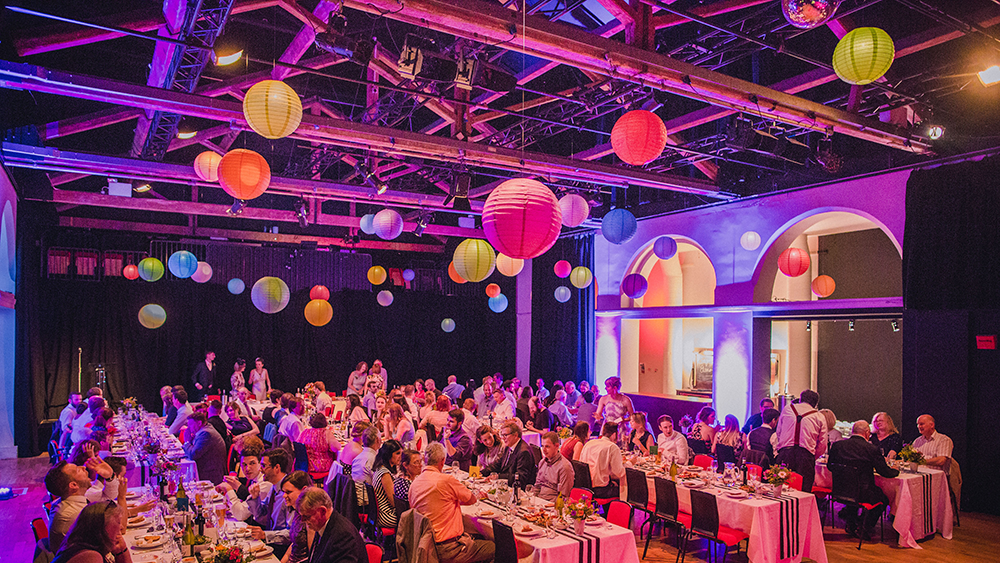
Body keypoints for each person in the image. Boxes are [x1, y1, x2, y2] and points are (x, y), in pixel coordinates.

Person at [408, 443, 495, 563]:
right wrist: (458, 499)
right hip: (449, 549)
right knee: (495, 548)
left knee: (476, 536)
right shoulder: (446, 480)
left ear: (424, 459)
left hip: (425, 545)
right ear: (443, 461)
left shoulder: (414, 484)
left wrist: (451, 500)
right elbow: (471, 499)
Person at [828, 420, 899, 539]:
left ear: (852, 431)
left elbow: (830, 466)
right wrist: (896, 470)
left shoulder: (838, 446)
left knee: (852, 488)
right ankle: (864, 527)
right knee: (883, 499)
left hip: (839, 490)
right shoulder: (871, 449)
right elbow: (884, 472)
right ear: (867, 432)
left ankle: (851, 523)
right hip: (862, 493)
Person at [774, 389, 828, 493]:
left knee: (781, 488)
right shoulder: (819, 417)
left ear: (800, 399)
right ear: (815, 403)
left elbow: (779, 432)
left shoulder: (787, 409)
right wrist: (813, 456)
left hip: (785, 453)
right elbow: (823, 443)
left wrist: (782, 448)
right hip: (805, 456)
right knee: (804, 491)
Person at [296, 487, 367, 563]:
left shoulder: (343, 536)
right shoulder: (322, 525)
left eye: (307, 516)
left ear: (322, 511)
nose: (302, 520)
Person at [49, 500, 131, 563]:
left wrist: (121, 550)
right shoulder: (90, 557)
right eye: (118, 522)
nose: (122, 527)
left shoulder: (81, 545)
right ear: (103, 527)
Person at [243, 449, 292, 549]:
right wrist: (255, 498)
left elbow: (292, 533)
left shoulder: (289, 492)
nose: (260, 469)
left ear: (277, 468)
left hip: (282, 548)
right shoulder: (274, 488)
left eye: (264, 466)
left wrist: (265, 535)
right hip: (270, 542)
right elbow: (260, 515)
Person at [579, 421, 626, 499]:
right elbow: (619, 473)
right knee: (625, 490)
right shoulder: (612, 447)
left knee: (612, 484)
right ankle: (615, 510)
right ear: (614, 435)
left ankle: (607, 510)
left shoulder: (589, 443)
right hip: (600, 490)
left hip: (585, 486)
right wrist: (630, 464)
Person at [482, 420, 536, 487]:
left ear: (515, 435)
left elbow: (520, 477)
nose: (503, 438)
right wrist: (482, 473)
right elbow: (498, 464)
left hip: (518, 490)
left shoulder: (523, 452)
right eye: (502, 435)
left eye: (505, 435)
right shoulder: (509, 446)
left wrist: (498, 477)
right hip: (506, 485)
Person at [183, 411, 228, 485]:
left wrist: (187, 442)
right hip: (210, 467)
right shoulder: (206, 428)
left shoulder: (205, 433)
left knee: (184, 476)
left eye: (190, 424)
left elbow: (193, 455)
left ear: (199, 423)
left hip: (211, 473)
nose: (189, 427)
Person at [279, 471, 314, 563]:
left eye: (288, 492)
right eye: (283, 492)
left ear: (304, 490)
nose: (284, 496)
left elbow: (312, 556)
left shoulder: (310, 518)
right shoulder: (297, 511)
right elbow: (294, 544)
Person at [372, 440, 403, 529]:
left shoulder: (380, 467)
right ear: (389, 455)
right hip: (386, 515)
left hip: (380, 512)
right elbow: (393, 502)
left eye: (401, 453)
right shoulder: (385, 474)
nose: (400, 457)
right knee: (413, 518)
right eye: (397, 453)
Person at [536, 432, 573, 500]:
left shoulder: (565, 467)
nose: (544, 450)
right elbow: (537, 487)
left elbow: (564, 497)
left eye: (547, 446)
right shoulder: (542, 462)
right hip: (539, 501)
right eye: (542, 446)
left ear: (556, 446)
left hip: (552, 505)